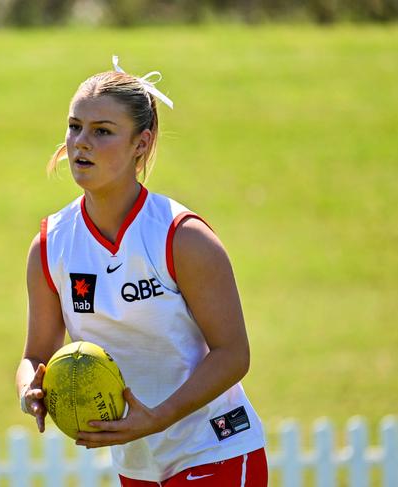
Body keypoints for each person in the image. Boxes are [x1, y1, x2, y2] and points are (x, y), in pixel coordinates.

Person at [15, 56, 267, 486]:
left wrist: (160, 417)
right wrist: (30, 390)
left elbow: (233, 354)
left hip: (215, 450)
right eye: (74, 126)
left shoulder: (181, 237)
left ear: (141, 143)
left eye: (102, 131)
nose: (81, 143)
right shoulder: (50, 245)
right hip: (137, 465)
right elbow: (35, 356)